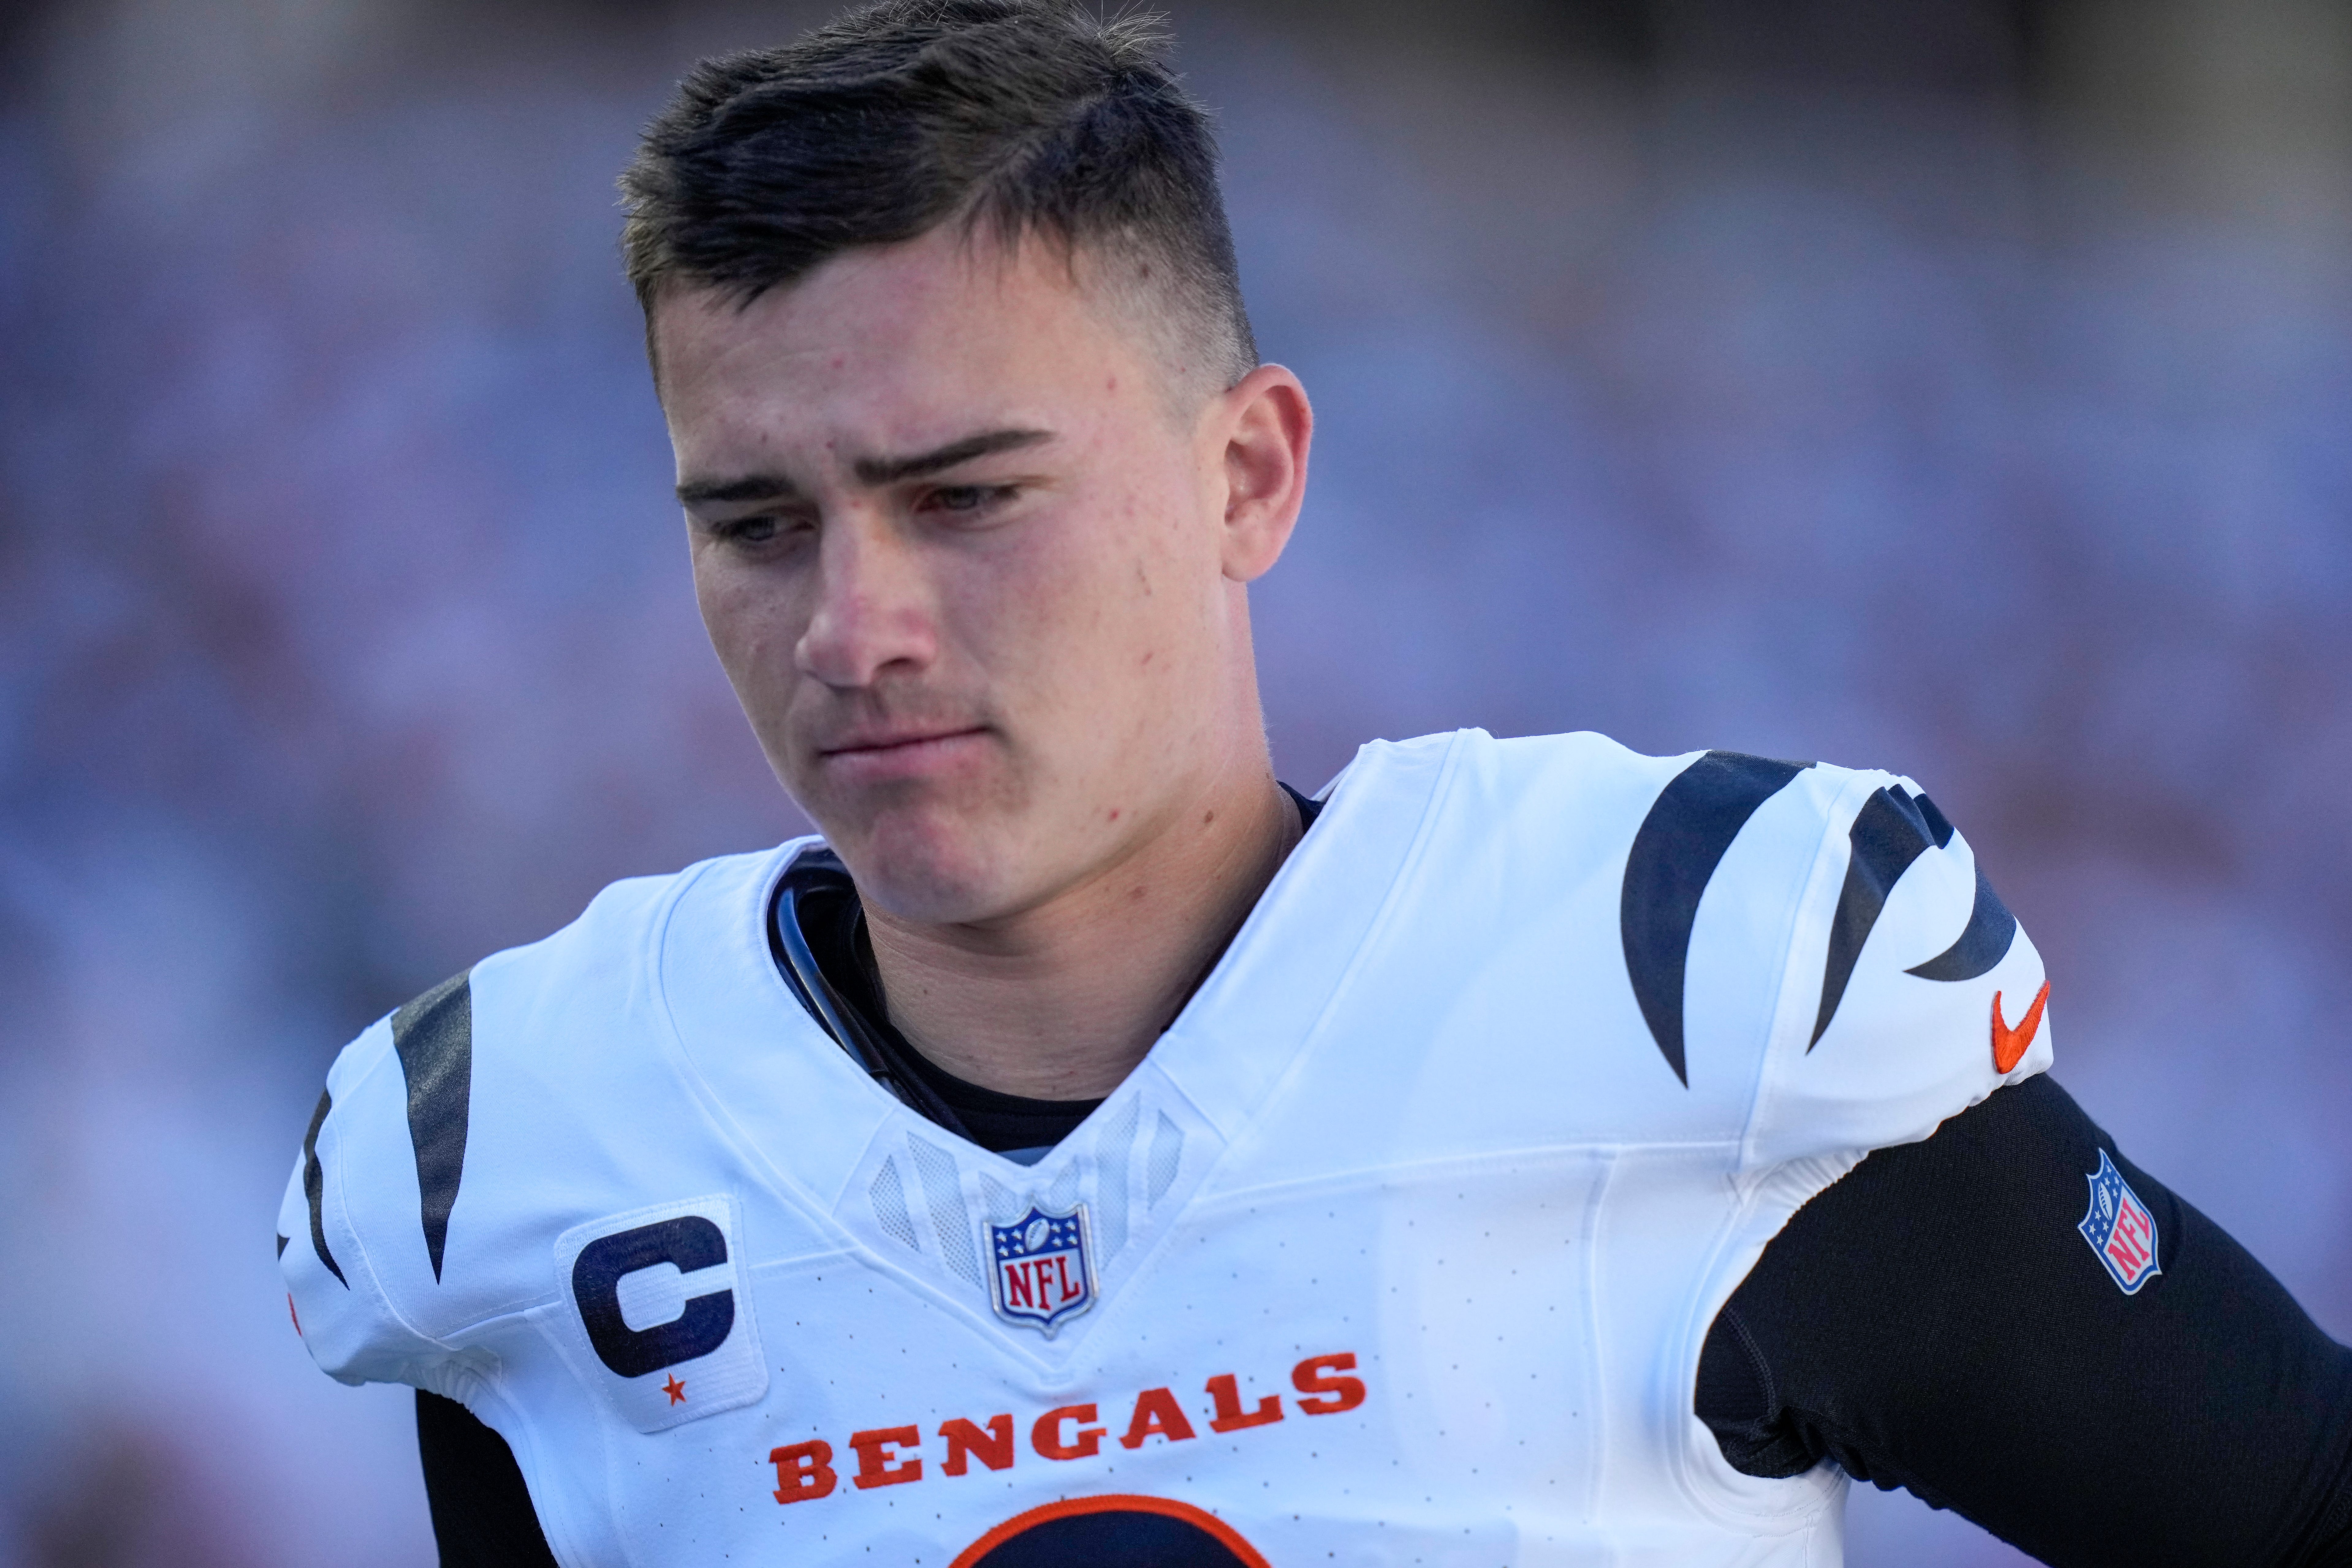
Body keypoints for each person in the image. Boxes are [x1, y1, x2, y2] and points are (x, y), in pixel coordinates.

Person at [277, 2, 2352, 1564]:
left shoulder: (1678, 985)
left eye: (966, 495)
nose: (854, 623)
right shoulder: (514, 1164)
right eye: (754, 523)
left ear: (1247, 475)